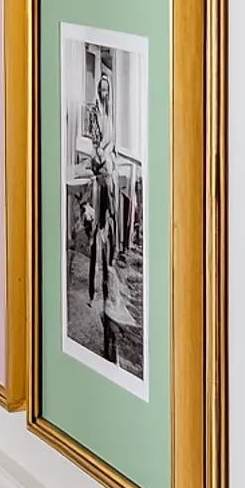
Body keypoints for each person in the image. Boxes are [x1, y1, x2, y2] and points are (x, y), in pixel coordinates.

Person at [84, 64, 134, 362]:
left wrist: (109, 152)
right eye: (101, 89)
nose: (104, 93)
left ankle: (109, 284)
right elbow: (92, 142)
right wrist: (101, 153)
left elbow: (110, 142)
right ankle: (94, 287)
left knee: (110, 229)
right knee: (97, 232)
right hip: (99, 173)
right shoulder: (94, 112)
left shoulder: (111, 115)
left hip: (110, 172)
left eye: (107, 89)